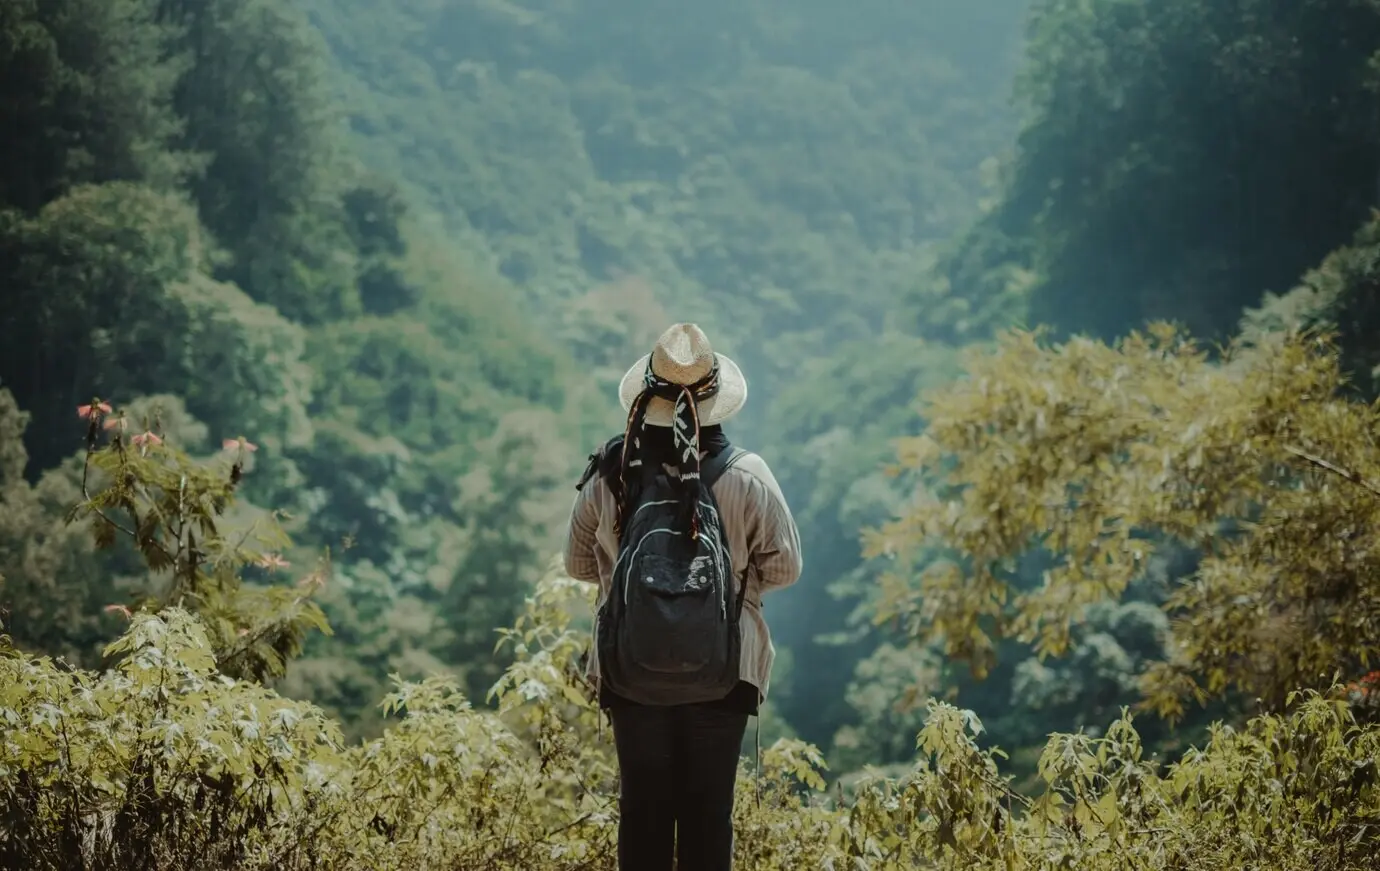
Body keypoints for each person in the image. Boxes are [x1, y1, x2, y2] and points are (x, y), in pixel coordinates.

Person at [563, 322, 802, 871]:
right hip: (726, 666)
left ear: (646, 396)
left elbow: (577, 563)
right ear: (717, 401)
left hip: (631, 668)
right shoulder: (748, 474)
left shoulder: (611, 473)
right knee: (708, 816)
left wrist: (630, 587)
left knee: (642, 812)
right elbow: (785, 567)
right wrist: (727, 593)